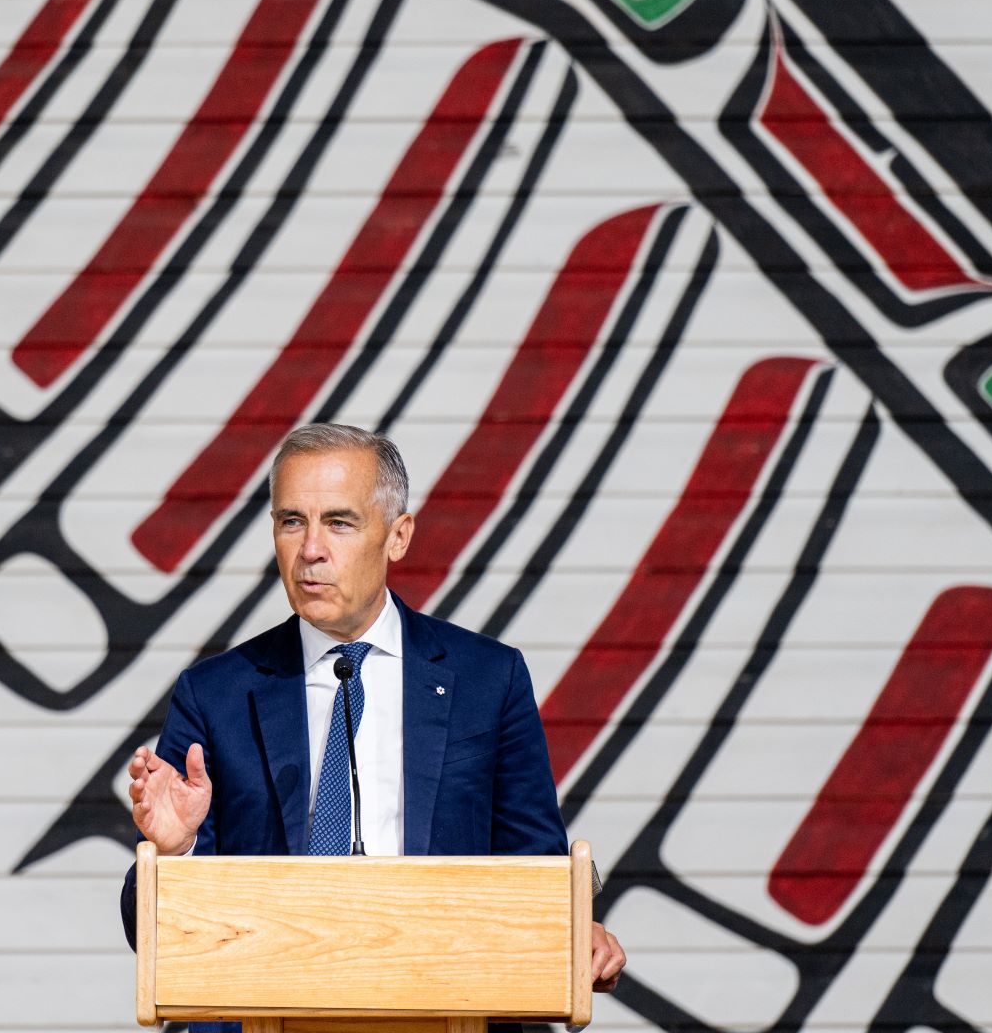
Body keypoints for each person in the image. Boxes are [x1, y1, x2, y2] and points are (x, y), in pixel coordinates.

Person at [120, 423, 627, 1001]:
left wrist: (574, 927)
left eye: (339, 522)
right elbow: (152, 932)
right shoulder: (215, 694)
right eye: (292, 522)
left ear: (398, 535)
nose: (311, 549)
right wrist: (175, 853)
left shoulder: (487, 679)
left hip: (447, 1003)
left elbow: (537, 870)